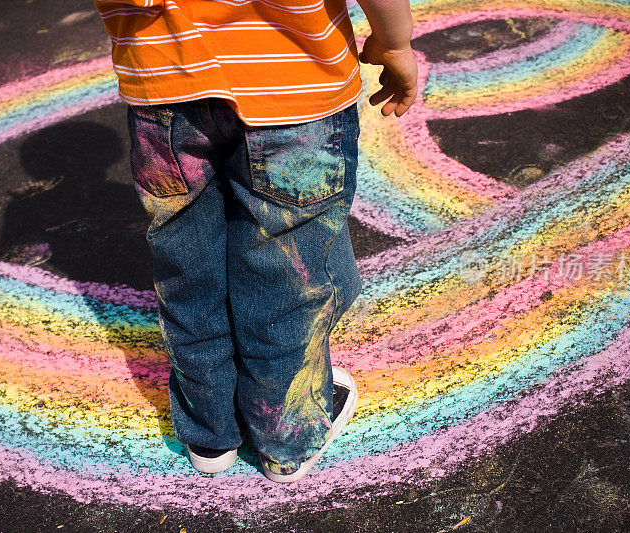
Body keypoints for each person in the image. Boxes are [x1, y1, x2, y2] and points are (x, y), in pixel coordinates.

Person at [93, 0, 418, 482]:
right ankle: (285, 440)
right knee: (288, 273)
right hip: (293, 82)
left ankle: (210, 433)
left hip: (163, 84)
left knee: (188, 267)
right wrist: (395, 41)